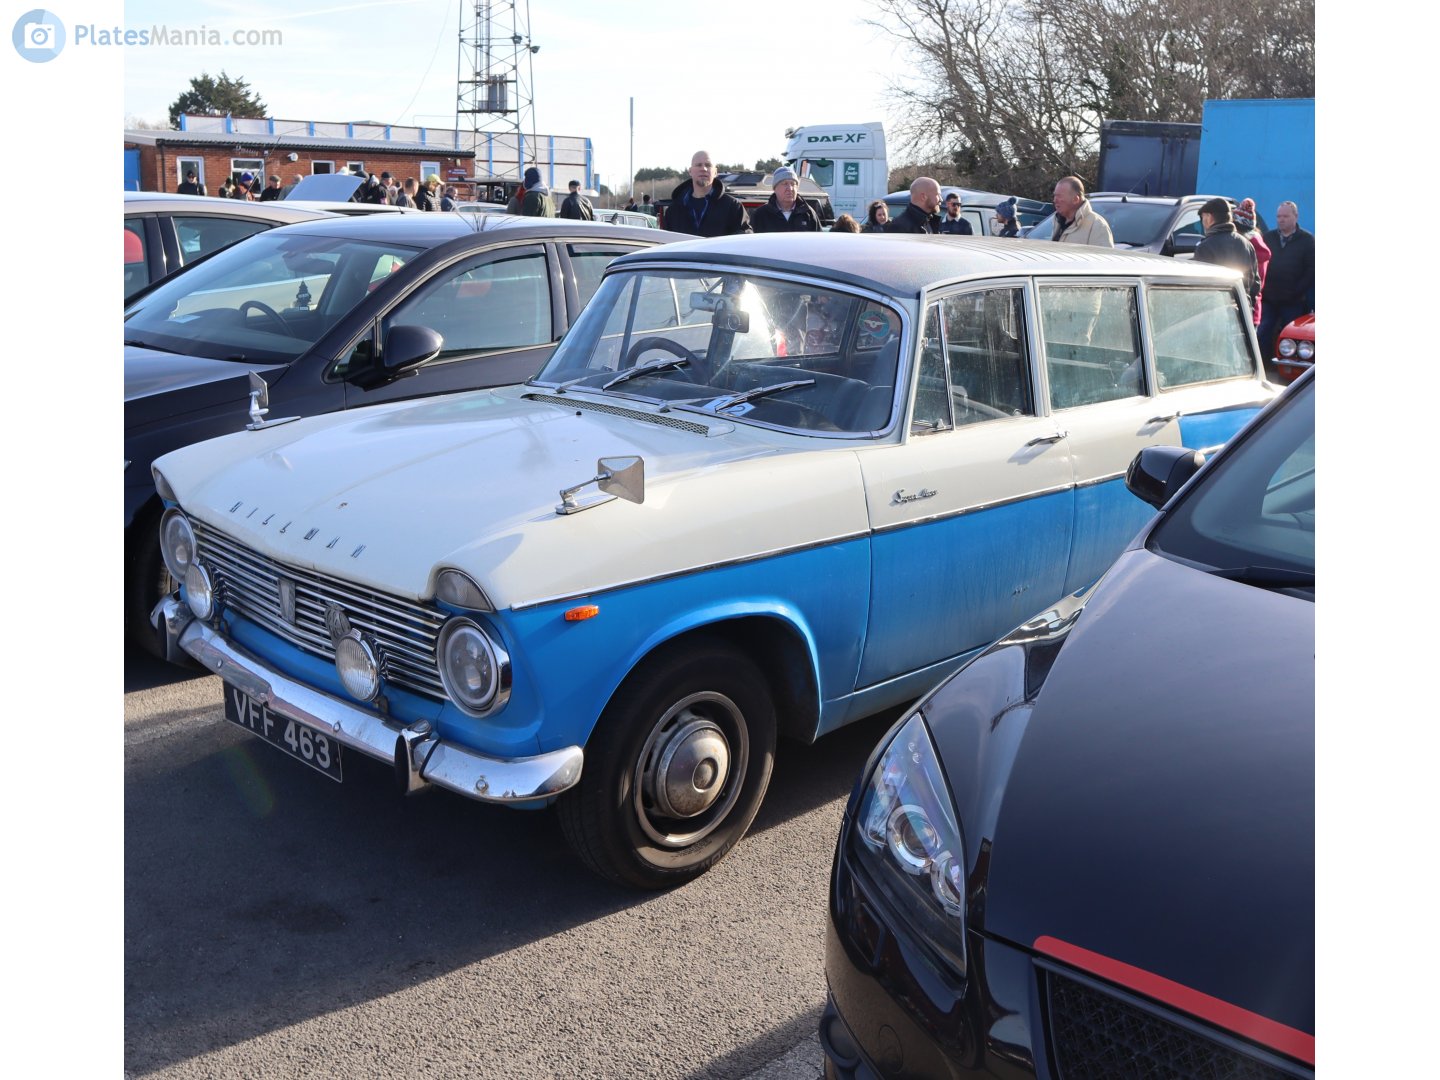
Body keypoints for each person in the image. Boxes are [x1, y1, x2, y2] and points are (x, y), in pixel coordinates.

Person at [1257, 201, 1315, 360]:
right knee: (1262, 331)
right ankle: (1263, 365)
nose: (1281, 220)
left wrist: (1297, 291)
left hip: (1293, 300)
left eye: (1285, 216)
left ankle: (1289, 368)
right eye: (1278, 216)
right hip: (1269, 298)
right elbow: (1259, 264)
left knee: (1292, 337)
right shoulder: (1268, 238)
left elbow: (1311, 270)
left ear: (1295, 217)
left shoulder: (1307, 240)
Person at [1194, 198, 1259, 312]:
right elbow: (1255, 284)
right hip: (1242, 312)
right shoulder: (1247, 245)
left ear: (1209, 217)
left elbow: (1200, 287)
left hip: (1213, 312)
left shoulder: (1205, 247)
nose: (1203, 222)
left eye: (1203, 217)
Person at [664, 150, 751, 236]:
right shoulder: (673, 211)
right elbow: (665, 244)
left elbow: (744, 239)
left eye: (708, 165)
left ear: (715, 172)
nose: (703, 169)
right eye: (698, 165)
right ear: (690, 171)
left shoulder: (732, 206)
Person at [1233, 198, 1270, 328]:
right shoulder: (1258, 242)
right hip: (1254, 311)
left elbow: (1251, 285)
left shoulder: (1246, 247)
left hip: (1243, 308)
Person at [750, 166, 822, 233]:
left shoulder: (808, 213)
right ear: (775, 188)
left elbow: (818, 241)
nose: (790, 188)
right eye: (785, 184)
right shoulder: (760, 215)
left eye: (793, 184)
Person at [1048, 175, 1112, 246]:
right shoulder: (1057, 221)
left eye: (1059, 196)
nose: (1055, 200)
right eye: (1055, 196)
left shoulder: (1097, 226)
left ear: (1076, 199)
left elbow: (1102, 256)